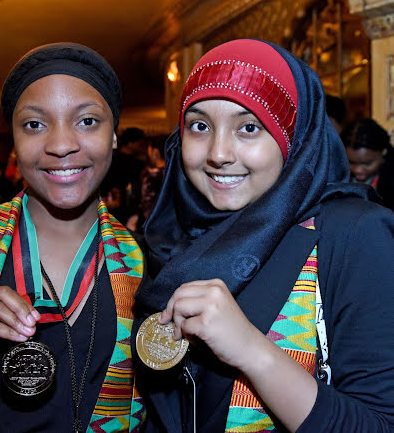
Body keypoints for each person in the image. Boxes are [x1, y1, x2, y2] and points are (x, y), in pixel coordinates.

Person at [134, 39, 394, 432]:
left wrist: (252, 350)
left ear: (293, 138)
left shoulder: (353, 233)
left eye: (249, 127)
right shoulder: (169, 236)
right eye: (200, 126)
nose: (218, 153)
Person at [0, 43, 145, 432]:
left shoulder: (149, 265)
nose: (60, 145)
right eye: (34, 124)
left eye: (88, 121)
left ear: (114, 136)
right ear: (14, 141)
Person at [342, 117, 394, 211]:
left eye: (367, 164)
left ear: (383, 152)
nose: (358, 170)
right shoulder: (336, 175)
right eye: (351, 162)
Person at [102, 127, 146, 225]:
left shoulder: (109, 161)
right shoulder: (137, 164)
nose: (142, 146)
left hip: (111, 211)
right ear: (130, 143)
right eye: (140, 143)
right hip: (129, 211)